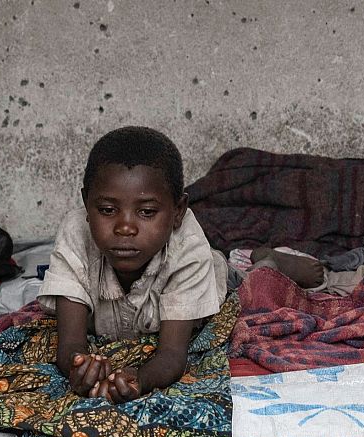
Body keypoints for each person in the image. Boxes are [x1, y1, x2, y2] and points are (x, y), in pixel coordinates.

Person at [38, 125, 227, 403]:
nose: (125, 227)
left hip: (214, 273)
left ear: (178, 211)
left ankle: (263, 257)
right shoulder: (76, 233)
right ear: (86, 205)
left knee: (243, 279)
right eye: (107, 210)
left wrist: (140, 378)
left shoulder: (187, 246)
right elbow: (70, 344)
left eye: (147, 212)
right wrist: (79, 366)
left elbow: (172, 355)